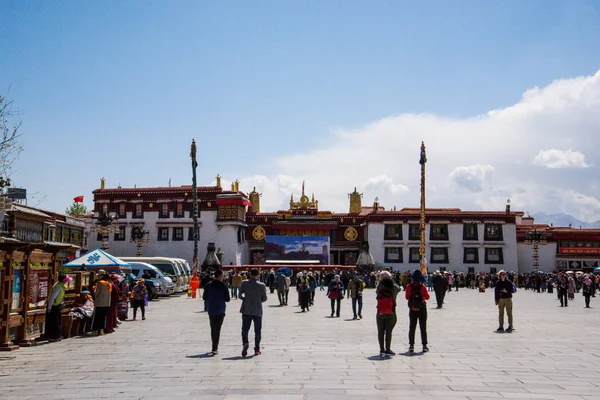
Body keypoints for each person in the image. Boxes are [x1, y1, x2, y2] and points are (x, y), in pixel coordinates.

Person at [239, 268, 268, 357]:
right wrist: (258, 301)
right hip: (257, 309)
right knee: (258, 331)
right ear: (258, 275)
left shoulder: (244, 283)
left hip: (246, 309)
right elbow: (265, 298)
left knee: (245, 329)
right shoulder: (262, 285)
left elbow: (240, 295)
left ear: (250, 274)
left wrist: (246, 299)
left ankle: (245, 343)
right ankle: (257, 349)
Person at [202, 269, 231, 355]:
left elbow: (204, 297)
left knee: (212, 328)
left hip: (211, 309)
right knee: (217, 329)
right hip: (220, 309)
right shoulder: (223, 286)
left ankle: (214, 346)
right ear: (221, 276)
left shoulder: (208, 285)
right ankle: (215, 348)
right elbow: (227, 299)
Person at [376, 271, 401, 357]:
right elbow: (399, 289)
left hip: (380, 311)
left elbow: (377, 294)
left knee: (380, 331)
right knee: (388, 331)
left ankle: (381, 349)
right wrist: (392, 281)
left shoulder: (380, 286)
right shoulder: (393, 286)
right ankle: (388, 349)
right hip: (391, 311)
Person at [405, 270, 430, 353]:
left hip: (412, 308)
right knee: (423, 327)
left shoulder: (409, 286)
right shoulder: (422, 287)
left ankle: (411, 345)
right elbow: (427, 297)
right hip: (422, 308)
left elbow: (407, 297)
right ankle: (424, 345)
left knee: (412, 327)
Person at [45, 274, 69, 342]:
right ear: (63, 280)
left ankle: (57, 336)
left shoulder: (60, 285)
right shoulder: (58, 287)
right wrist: (49, 307)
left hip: (57, 305)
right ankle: (52, 336)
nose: (67, 281)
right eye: (66, 280)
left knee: (58, 321)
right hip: (53, 306)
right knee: (54, 322)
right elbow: (52, 297)